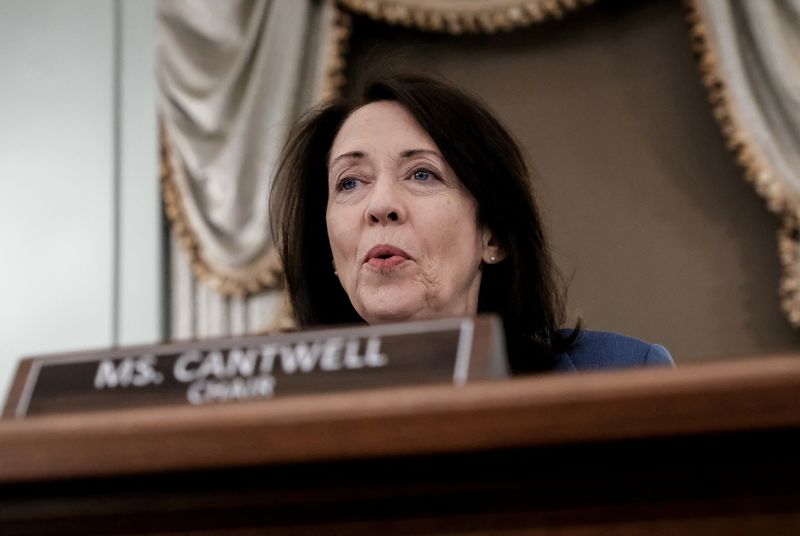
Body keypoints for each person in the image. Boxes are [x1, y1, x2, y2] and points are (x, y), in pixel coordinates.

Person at [269, 72, 673, 373]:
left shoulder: (623, 372)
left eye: (422, 174)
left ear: (493, 234)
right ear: (329, 251)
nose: (380, 206)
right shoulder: (270, 419)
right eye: (350, 182)